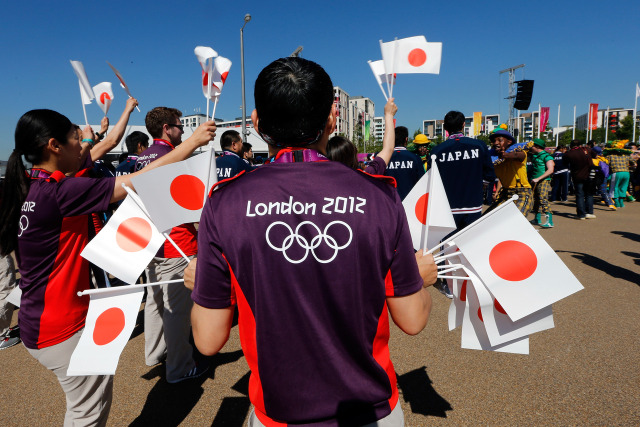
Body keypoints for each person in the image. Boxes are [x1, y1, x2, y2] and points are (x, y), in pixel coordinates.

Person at [188, 57, 437, 426]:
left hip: (279, 412)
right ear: (332, 121)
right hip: (369, 409)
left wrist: (204, 288)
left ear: (256, 124)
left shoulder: (225, 203)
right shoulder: (379, 197)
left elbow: (208, 341)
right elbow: (412, 320)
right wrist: (420, 279)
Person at [0, 104, 215, 425]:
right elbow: (140, 180)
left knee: (90, 406)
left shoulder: (34, 186)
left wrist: (99, 133)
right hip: (61, 329)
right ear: (53, 146)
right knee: (88, 415)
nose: (83, 145)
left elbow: (100, 149)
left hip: (44, 320)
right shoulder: (61, 192)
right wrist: (193, 143)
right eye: (76, 138)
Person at [135, 107, 209, 383]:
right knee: (177, 310)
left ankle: (154, 354)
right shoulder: (173, 157)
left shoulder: (141, 159)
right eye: (179, 126)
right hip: (178, 242)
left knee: (155, 303)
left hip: (150, 241)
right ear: (167, 128)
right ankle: (179, 367)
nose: (183, 131)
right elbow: (187, 206)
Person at [429, 111, 495, 231]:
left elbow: (431, 180)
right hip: (473, 205)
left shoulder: (436, 151)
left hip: (447, 208)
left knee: (448, 247)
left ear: (445, 128)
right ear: (464, 124)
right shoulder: (479, 145)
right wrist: (480, 187)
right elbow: (490, 175)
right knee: (472, 245)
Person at [327, 98, 397, 174]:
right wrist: (389, 115)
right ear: (353, 158)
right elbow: (388, 149)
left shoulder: (317, 180)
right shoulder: (365, 176)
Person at [486, 128, 533, 216]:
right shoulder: (493, 158)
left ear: (509, 141)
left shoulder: (520, 152)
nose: (496, 143)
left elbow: (517, 156)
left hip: (522, 194)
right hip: (505, 193)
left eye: (500, 140)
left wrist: (505, 155)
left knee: (515, 220)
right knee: (487, 219)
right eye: (494, 140)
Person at [384, 126, 425, 200]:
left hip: (389, 204)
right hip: (411, 203)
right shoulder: (415, 159)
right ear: (406, 139)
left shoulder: (385, 159)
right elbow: (422, 183)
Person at [563, 139, 595, 219]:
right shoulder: (587, 150)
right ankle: (589, 212)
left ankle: (581, 214)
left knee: (580, 195)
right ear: (580, 145)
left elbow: (565, 163)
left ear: (571, 145)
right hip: (589, 175)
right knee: (589, 194)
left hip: (577, 176)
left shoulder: (569, 154)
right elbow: (595, 156)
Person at [528, 139, 555, 228]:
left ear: (538, 147)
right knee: (536, 199)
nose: (530, 147)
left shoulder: (547, 156)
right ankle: (537, 218)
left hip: (543, 180)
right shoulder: (534, 155)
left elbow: (551, 170)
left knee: (543, 198)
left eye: (532, 146)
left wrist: (538, 178)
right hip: (534, 180)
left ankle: (549, 220)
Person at [605, 141, 633, 208]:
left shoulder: (610, 156)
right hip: (626, 173)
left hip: (616, 172)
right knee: (623, 187)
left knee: (614, 187)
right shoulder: (626, 156)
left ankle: (617, 203)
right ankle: (622, 203)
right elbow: (633, 162)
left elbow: (605, 163)